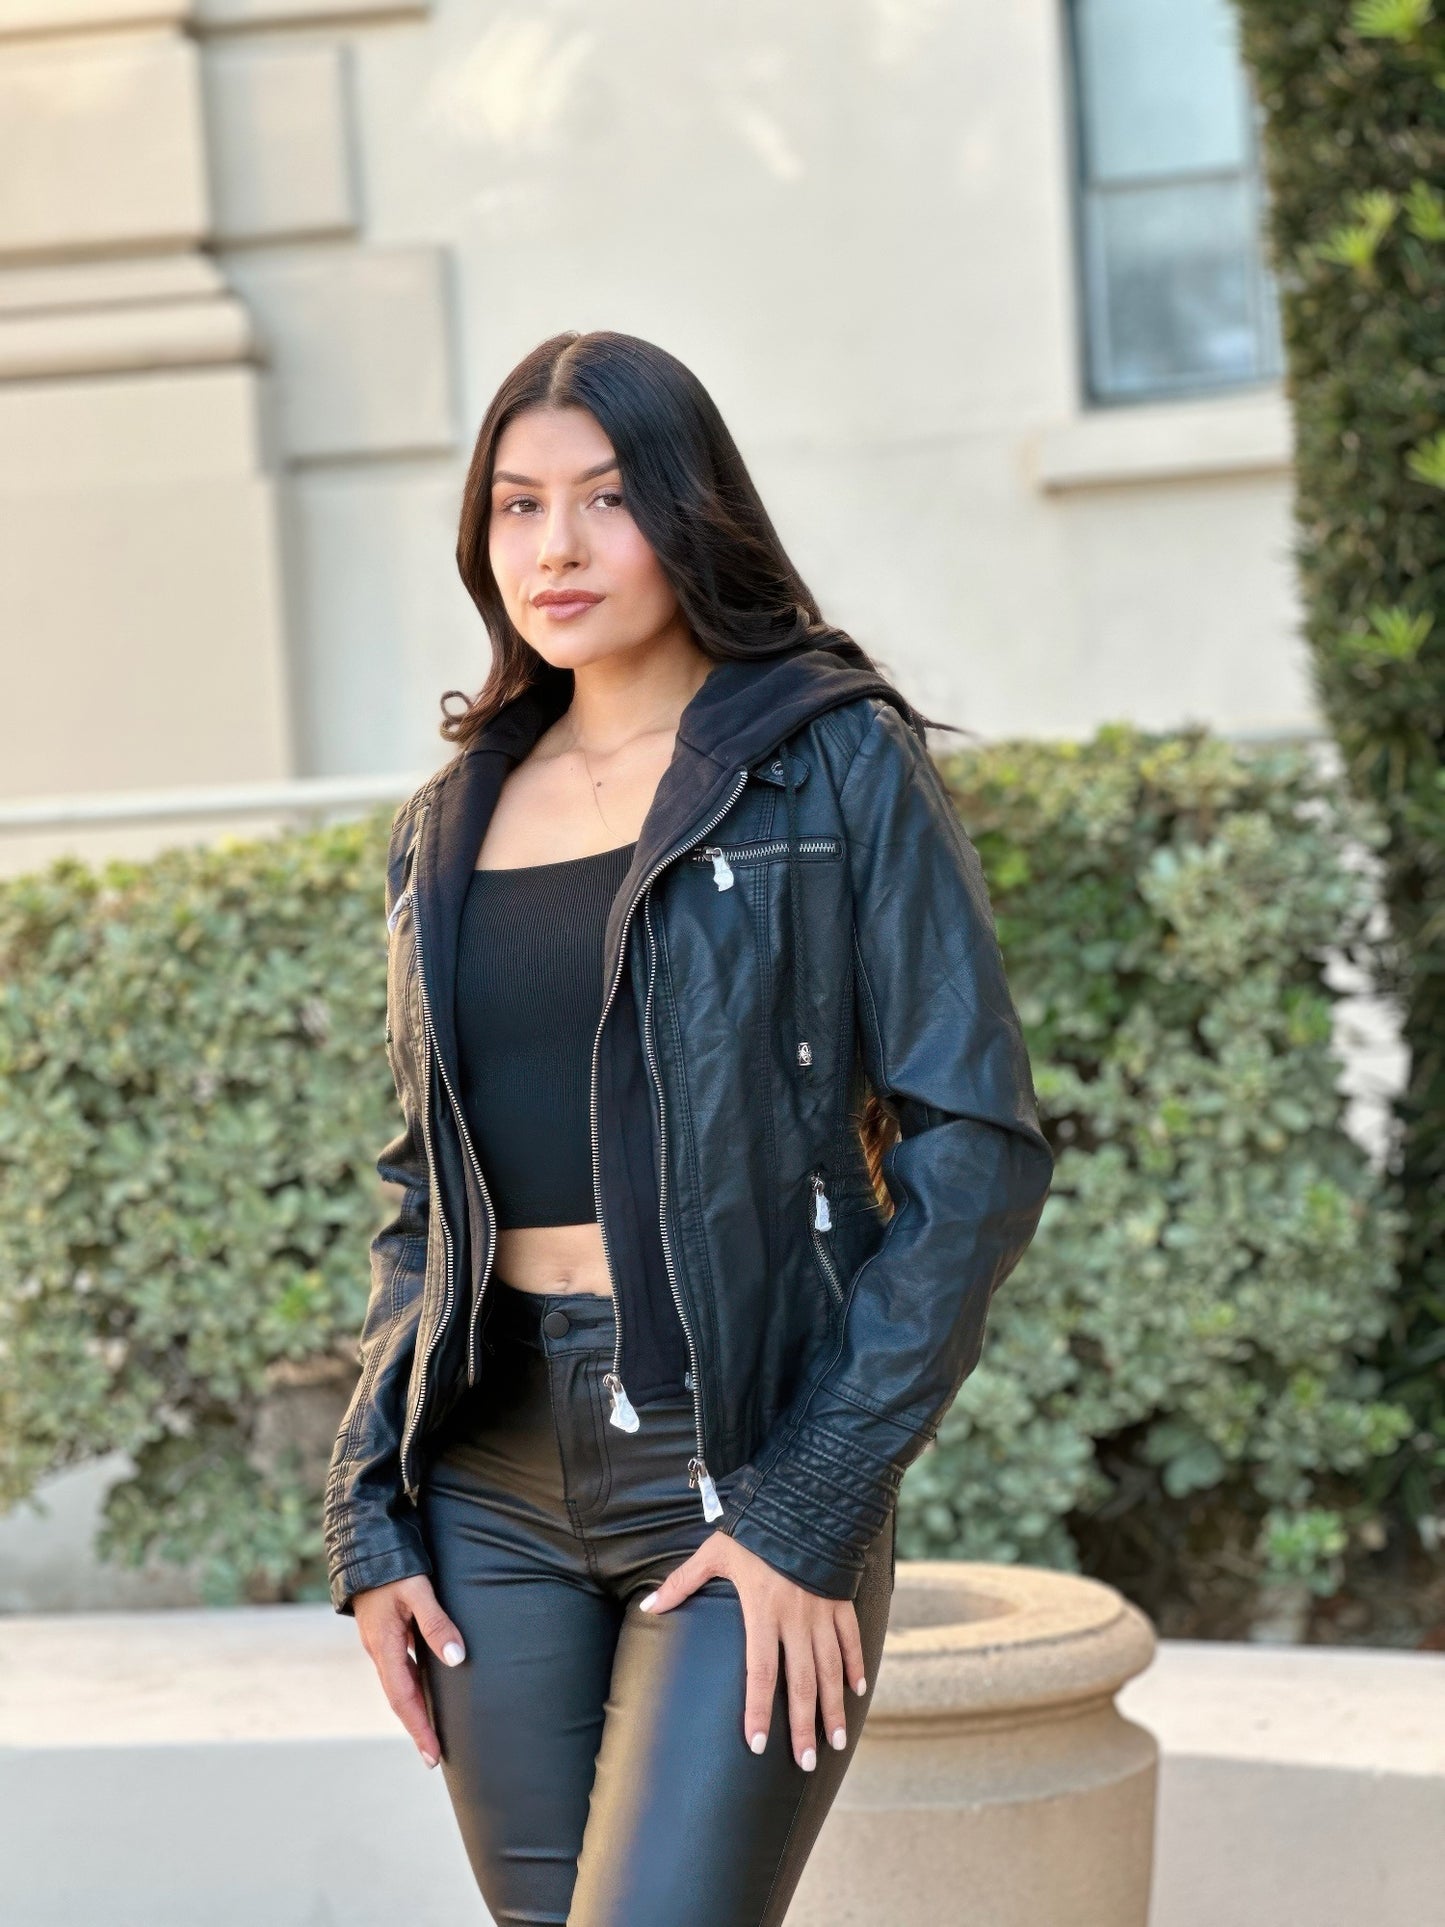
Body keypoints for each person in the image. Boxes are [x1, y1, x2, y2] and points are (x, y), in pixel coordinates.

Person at [323, 329, 1054, 1927]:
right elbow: (422, 1185)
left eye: (603, 500)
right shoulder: (447, 821)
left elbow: (974, 1149)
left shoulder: (829, 759)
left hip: (737, 1455)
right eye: (517, 506)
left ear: (689, 509)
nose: (556, 549)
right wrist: (369, 1507)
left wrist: (813, 1495)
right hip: (485, 1480)